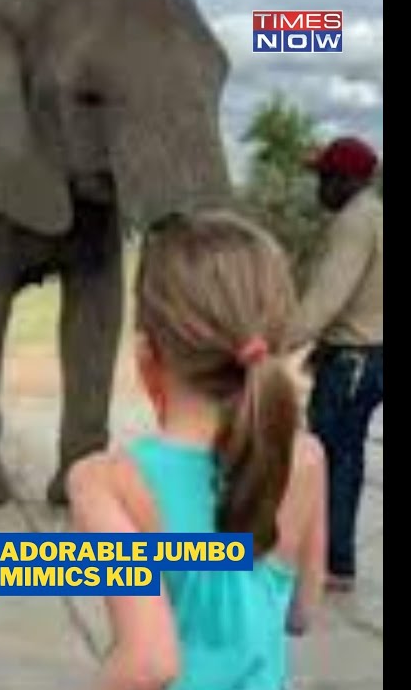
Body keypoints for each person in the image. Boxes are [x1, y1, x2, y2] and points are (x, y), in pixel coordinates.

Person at [67, 211, 327, 690]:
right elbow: (301, 614)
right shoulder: (307, 459)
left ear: (148, 354)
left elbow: (148, 663)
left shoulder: (106, 482)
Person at [287, 136, 384, 593]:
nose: (318, 188)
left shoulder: (354, 222)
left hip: (352, 360)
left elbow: (327, 298)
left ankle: (330, 562)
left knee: (331, 460)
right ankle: (336, 558)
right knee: (347, 456)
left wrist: (271, 342)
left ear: (349, 181)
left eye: (324, 178)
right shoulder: (376, 215)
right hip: (370, 355)